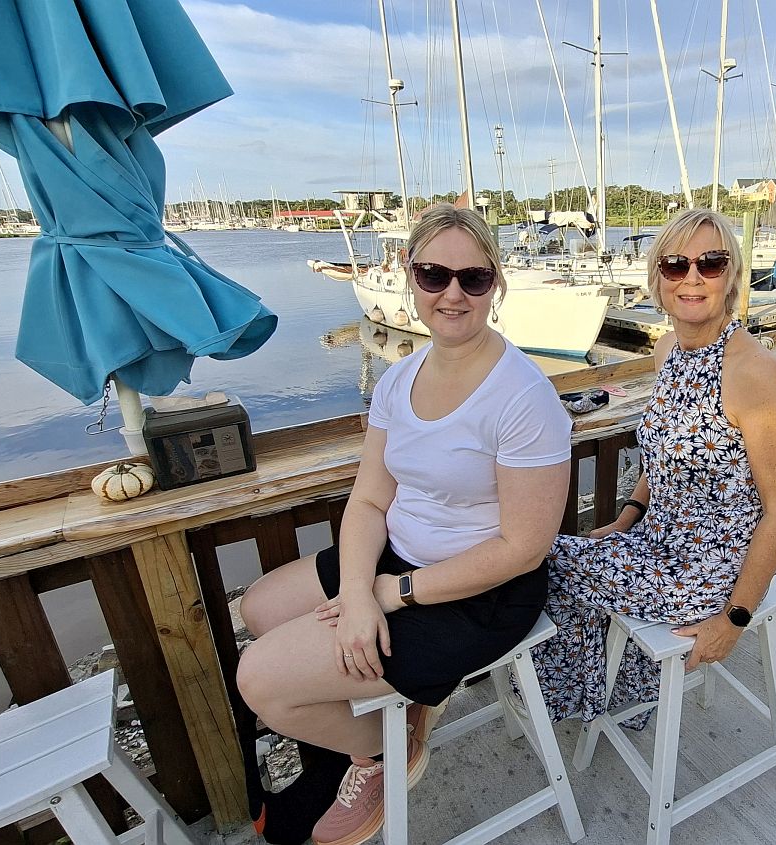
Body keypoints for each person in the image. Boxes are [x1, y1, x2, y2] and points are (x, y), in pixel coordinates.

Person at [235, 204, 572, 845]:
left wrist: (390, 594)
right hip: (400, 554)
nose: (452, 293)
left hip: (483, 592)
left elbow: (524, 548)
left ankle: (381, 751)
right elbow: (368, 501)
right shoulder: (398, 379)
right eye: (433, 275)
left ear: (496, 283)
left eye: (473, 278)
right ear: (410, 277)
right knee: (260, 608)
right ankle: (387, 718)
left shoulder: (524, 397)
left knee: (259, 680)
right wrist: (358, 592)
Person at [531, 208, 776, 728]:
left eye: (710, 263)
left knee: (539, 557)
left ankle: (574, 695)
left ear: (731, 276)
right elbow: (663, 453)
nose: (692, 277)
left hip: (708, 572)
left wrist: (734, 619)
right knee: (552, 554)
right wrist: (627, 516)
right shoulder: (667, 349)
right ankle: (610, 692)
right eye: (676, 264)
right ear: (658, 279)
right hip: (655, 541)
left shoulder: (755, 374)